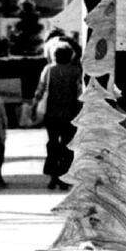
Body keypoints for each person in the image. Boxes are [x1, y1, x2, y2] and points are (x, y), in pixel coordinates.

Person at [30, 40, 81, 189]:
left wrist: (34, 106)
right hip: (70, 115)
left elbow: (40, 90)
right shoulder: (75, 71)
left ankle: (53, 176)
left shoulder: (48, 70)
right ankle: (65, 176)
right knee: (68, 145)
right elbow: (79, 93)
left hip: (51, 114)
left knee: (52, 144)